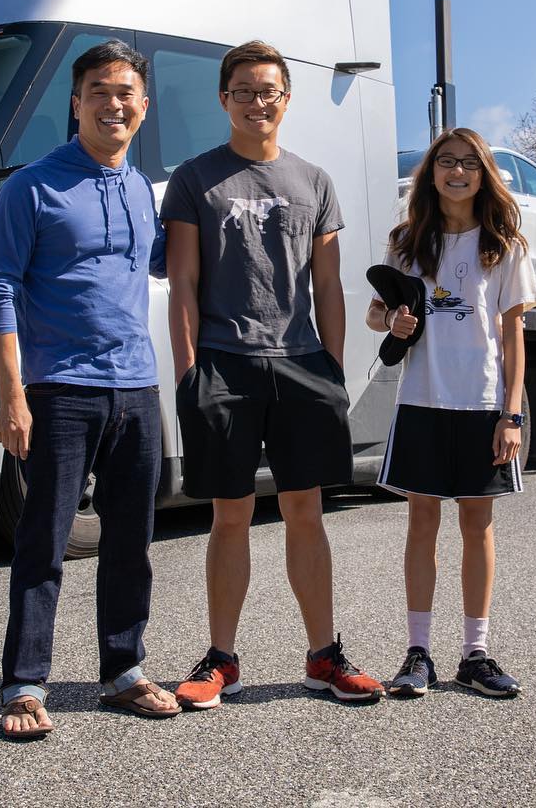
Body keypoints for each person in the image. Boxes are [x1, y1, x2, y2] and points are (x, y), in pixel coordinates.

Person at [163, 40, 383, 710]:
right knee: (229, 514)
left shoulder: (313, 181)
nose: (258, 101)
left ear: (286, 98)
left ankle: (324, 657)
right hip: (224, 363)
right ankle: (221, 660)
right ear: (223, 99)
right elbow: (183, 286)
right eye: (244, 90)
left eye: (269, 90)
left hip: (301, 363)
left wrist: (333, 370)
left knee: (304, 510)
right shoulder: (195, 179)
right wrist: (188, 376)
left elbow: (328, 285)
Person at [0, 39, 180, 739]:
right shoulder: (31, 186)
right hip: (60, 388)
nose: (113, 104)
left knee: (133, 540)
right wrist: (13, 395)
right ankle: (25, 684)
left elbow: (162, 264)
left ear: (143, 107)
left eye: (125, 92)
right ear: (76, 102)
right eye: (99, 91)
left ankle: (124, 671)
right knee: (46, 541)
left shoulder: (138, 189)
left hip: (136, 388)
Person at [368, 127, 536, 699]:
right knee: (421, 527)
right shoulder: (407, 240)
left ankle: (475, 653)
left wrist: (511, 416)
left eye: (470, 163)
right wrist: (391, 322)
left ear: (484, 172)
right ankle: (418, 653)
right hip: (421, 402)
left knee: (476, 527)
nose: (458, 171)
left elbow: (514, 337)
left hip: (483, 407)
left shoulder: (505, 245)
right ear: (431, 172)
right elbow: (378, 314)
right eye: (447, 162)